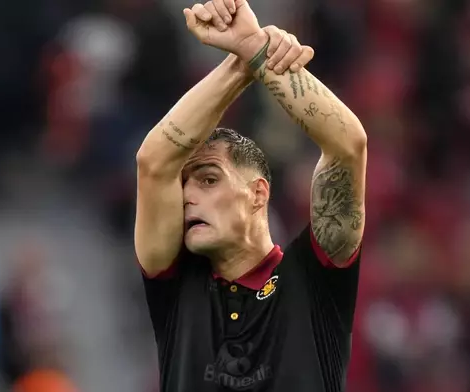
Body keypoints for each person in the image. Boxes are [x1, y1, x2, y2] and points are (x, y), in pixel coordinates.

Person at [135, 0, 367, 390]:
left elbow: (348, 146)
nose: (188, 195)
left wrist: (254, 50)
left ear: (258, 193)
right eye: (185, 183)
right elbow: (154, 161)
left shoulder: (314, 279)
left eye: (208, 179)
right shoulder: (175, 285)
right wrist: (247, 55)